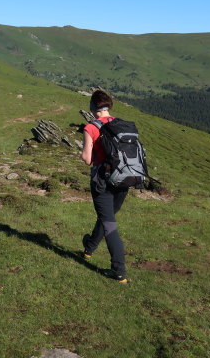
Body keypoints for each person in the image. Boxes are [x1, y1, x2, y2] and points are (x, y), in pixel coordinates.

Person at [80, 90, 129, 283]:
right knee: (107, 216)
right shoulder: (122, 124)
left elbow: (87, 159)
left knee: (109, 224)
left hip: (103, 181)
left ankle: (119, 271)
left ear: (93, 107)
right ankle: (90, 247)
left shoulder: (91, 127)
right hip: (124, 179)